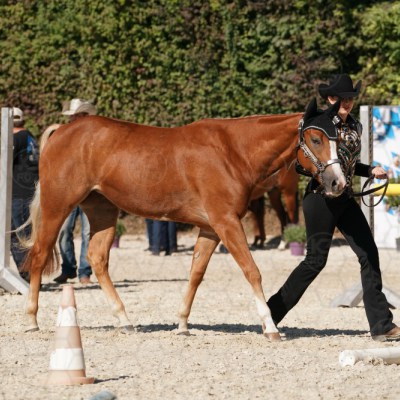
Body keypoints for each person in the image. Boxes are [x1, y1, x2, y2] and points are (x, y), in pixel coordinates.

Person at [267, 74, 400, 341]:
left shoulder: (355, 126)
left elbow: (347, 164)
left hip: (344, 198)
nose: (347, 103)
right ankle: (271, 312)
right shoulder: (318, 124)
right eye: (342, 98)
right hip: (320, 199)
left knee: (368, 253)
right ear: (330, 98)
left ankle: (382, 325)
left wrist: (369, 170)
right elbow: (304, 161)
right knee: (315, 261)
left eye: (351, 98)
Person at [53, 99, 96, 284]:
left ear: (83, 115)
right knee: (64, 231)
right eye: (71, 116)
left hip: (90, 191)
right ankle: (69, 268)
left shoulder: (94, 136)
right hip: (68, 190)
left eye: (75, 115)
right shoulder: (64, 135)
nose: (71, 118)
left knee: (87, 233)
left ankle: (85, 272)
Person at [11, 107, 39, 282]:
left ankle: (30, 276)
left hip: (19, 194)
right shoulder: (29, 136)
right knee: (16, 235)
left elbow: (4, 161)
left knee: (22, 237)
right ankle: (27, 275)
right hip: (28, 192)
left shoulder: (16, 138)